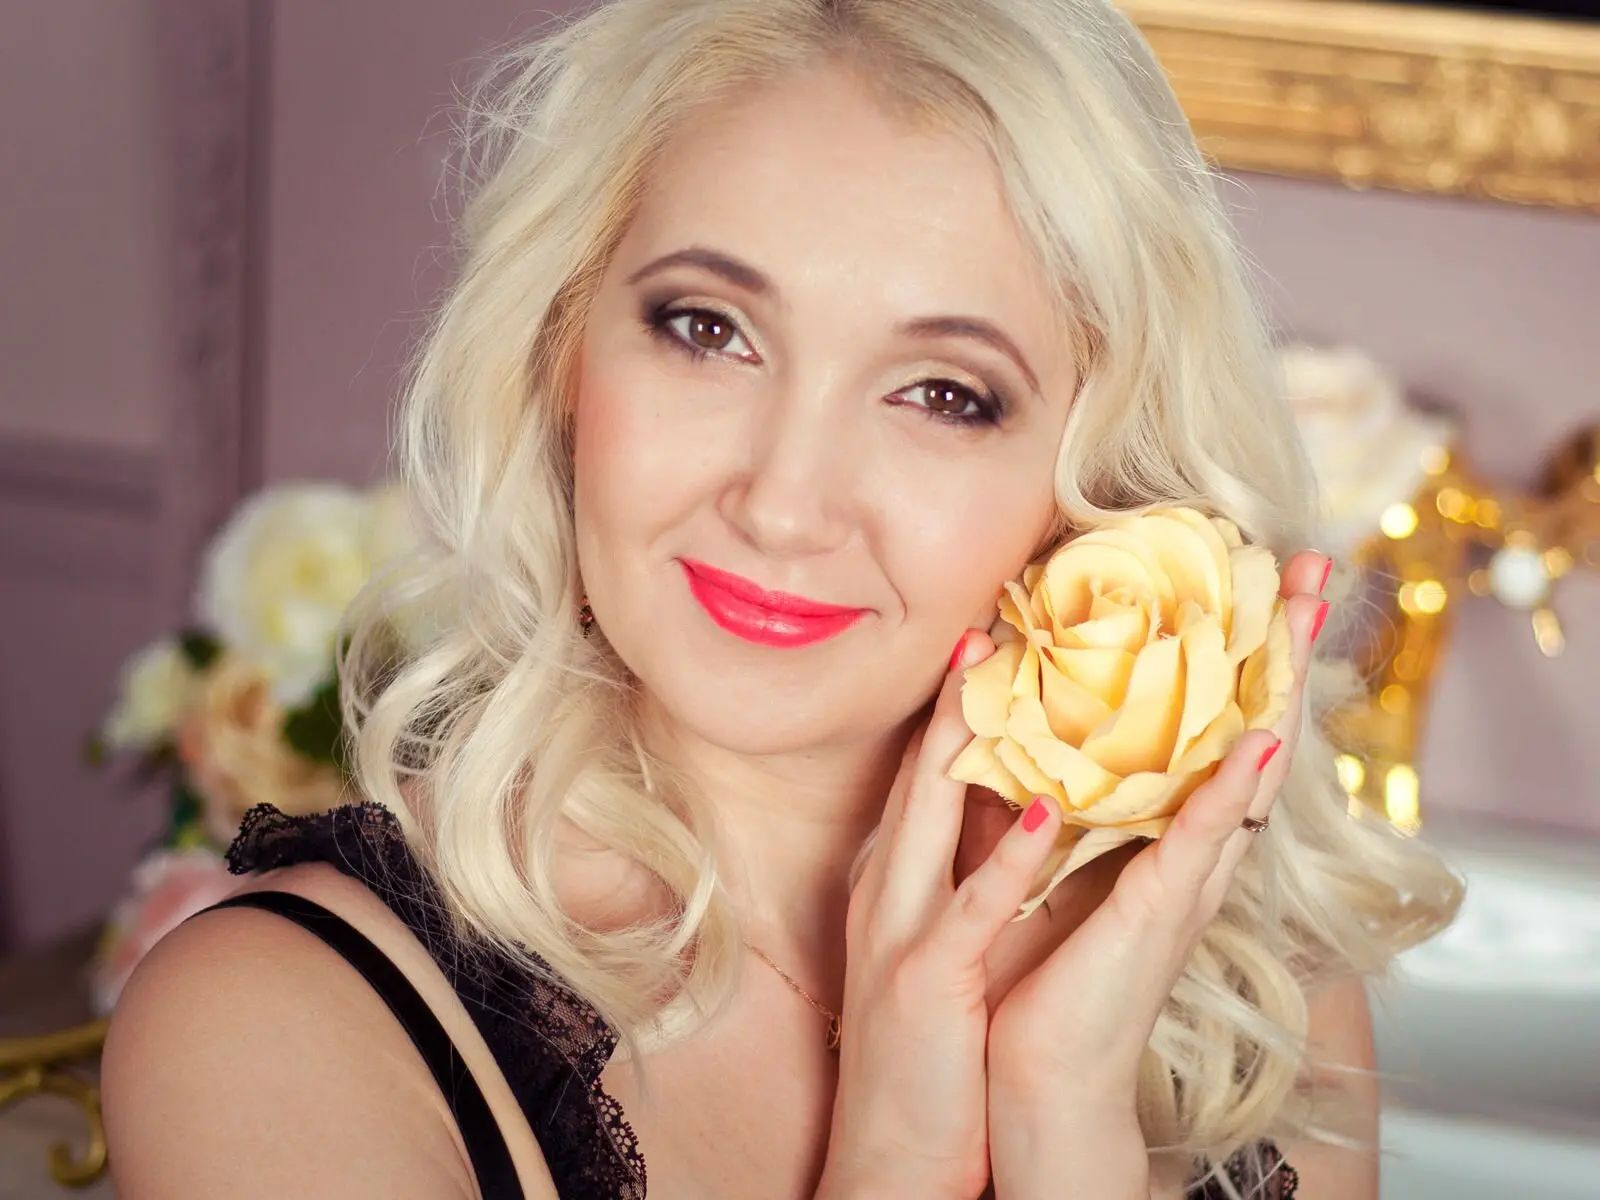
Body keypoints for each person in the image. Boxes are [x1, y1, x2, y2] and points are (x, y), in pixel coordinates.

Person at [102, 1, 1462, 1197]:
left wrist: (1063, 1126)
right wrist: (894, 1168)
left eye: (943, 394)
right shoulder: (272, 1032)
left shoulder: (1246, 1012)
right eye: (709, 329)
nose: (785, 503)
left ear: (1098, 476)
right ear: (563, 348)